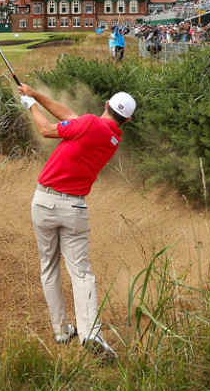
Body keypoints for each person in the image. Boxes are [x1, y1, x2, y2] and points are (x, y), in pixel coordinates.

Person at [16, 83, 136, 361]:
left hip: (44, 202)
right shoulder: (111, 138)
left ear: (106, 103)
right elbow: (67, 114)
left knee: (48, 267)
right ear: (127, 120)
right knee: (81, 273)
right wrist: (35, 94)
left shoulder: (89, 123)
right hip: (74, 209)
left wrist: (29, 105)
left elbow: (47, 130)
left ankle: (60, 330)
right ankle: (90, 332)